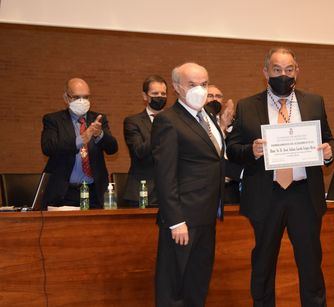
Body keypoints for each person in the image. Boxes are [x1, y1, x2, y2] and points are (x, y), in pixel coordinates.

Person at [226, 47, 334, 307]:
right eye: (277, 70)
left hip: (304, 194)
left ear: (297, 71)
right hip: (267, 195)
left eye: (289, 70)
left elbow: (329, 138)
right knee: (263, 266)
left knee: (311, 266)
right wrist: (249, 151)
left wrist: (330, 151)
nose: (283, 75)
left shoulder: (314, 101)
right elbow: (232, 148)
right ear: (265, 72)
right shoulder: (246, 105)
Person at [151, 63, 225, 306]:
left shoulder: (209, 118)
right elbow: (165, 175)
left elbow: (215, 161)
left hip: (206, 216)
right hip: (183, 221)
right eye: (192, 85)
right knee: (174, 289)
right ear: (176, 87)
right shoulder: (168, 121)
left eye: (204, 84)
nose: (200, 90)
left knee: (197, 285)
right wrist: (176, 221)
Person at [41, 78, 118, 208]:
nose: (82, 101)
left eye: (86, 97)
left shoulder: (98, 119)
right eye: (77, 97)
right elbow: (48, 148)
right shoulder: (53, 120)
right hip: (65, 192)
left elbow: (112, 148)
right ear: (66, 98)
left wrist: (100, 134)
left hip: (94, 192)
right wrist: (81, 139)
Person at [123, 75, 168, 207]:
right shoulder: (133, 122)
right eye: (155, 93)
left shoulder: (175, 120)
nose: (159, 96)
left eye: (163, 93)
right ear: (145, 96)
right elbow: (139, 152)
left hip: (170, 192)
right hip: (143, 192)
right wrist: (159, 126)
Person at [205, 85, 243, 204]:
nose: (214, 99)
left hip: (231, 186)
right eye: (210, 96)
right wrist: (222, 127)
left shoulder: (233, 121)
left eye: (218, 96)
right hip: (208, 186)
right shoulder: (198, 123)